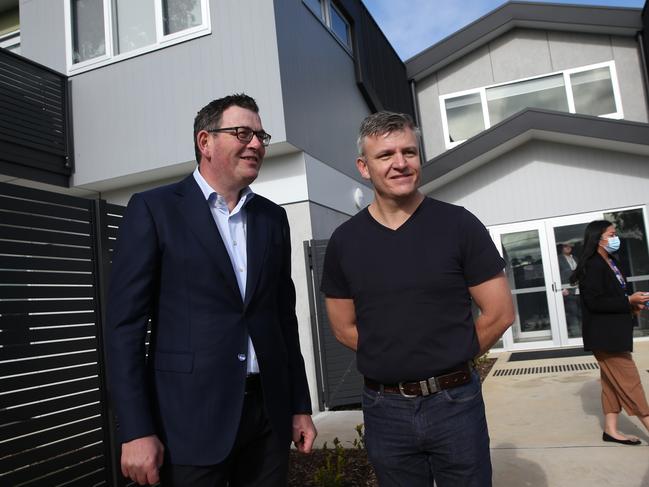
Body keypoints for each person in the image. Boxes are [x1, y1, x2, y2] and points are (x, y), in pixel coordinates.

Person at [106, 93, 316, 486]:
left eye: (260, 135)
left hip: (267, 419)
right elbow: (124, 330)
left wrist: (299, 406)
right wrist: (135, 430)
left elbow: (282, 320)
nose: (256, 143)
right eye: (243, 133)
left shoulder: (273, 219)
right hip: (188, 422)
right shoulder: (154, 210)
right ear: (205, 142)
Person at [320, 111, 515, 486]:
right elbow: (344, 328)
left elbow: (500, 313)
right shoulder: (345, 242)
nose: (400, 163)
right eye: (386, 155)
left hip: (456, 402)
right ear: (364, 167)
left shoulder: (459, 225)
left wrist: (450, 359)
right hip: (384, 409)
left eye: (409, 152)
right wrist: (394, 357)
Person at [570, 220, 649, 445]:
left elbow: (614, 297)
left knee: (612, 385)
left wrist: (633, 304)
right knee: (630, 383)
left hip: (614, 334)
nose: (616, 238)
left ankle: (611, 431)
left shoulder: (610, 261)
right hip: (605, 337)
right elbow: (594, 302)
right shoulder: (592, 265)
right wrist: (627, 300)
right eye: (612, 234)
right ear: (599, 238)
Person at [557, 243, 581, 337]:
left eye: (570, 246)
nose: (568, 248)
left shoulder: (575, 258)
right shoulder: (558, 259)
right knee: (572, 312)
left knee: (580, 312)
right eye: (565, 246)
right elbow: (555, 274)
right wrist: (562, 288)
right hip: (568, 290)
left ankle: (584, 332)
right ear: (561, 248)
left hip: (579, 289)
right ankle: (576, 334)